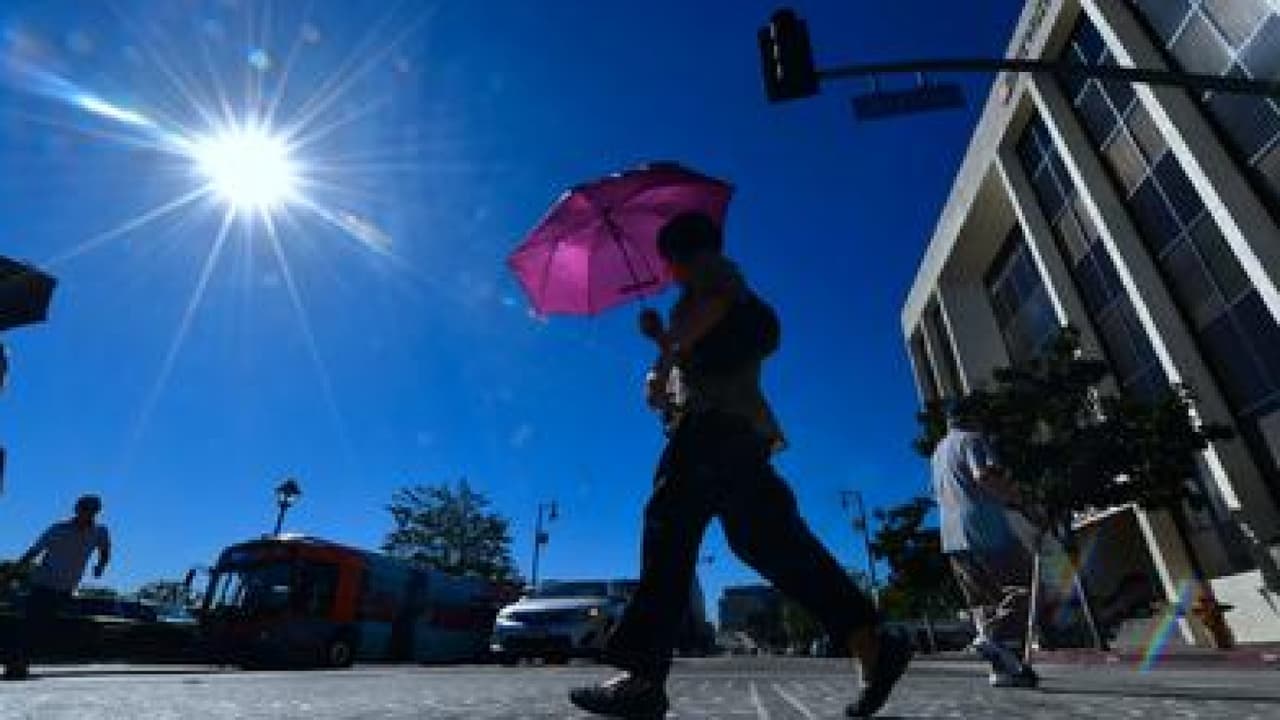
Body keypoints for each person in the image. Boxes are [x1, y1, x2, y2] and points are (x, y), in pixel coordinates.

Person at [569, 212, 911, 719]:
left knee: (668, 531)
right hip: (735, 435)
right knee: (769, 541)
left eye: (669, 261)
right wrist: (660, 366)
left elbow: (708, 318)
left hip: (712, 433)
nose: (668, 272)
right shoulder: (693, 307)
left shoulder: (714, 277)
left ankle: (642, 677)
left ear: (683, 255)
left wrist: (664, 349)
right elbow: (678, 380)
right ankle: (870, 641)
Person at [930, 398, 1039, 688]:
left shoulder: (938, 453)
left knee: (983, 602)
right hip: (985, 528)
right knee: (1020, 588)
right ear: (971, 418)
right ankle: (993, 637)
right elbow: (984, 476)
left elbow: (936, 494)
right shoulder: (973, 440)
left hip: (952, 536)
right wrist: (1022, 502)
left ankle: (1003, 670)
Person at [3, 494, 111, 680]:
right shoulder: (58, 529)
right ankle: (16, 664)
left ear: (96, 512)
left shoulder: (99, 532)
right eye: (84, 509)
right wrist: (13, 571)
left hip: (67, 587)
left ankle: (23, 660)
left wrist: (100, 566)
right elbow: (34, 551)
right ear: (77, 509)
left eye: (91, 511)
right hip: (43, 583)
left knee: (45, 626)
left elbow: (105, 550)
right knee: (31, 624)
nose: (87, 514)